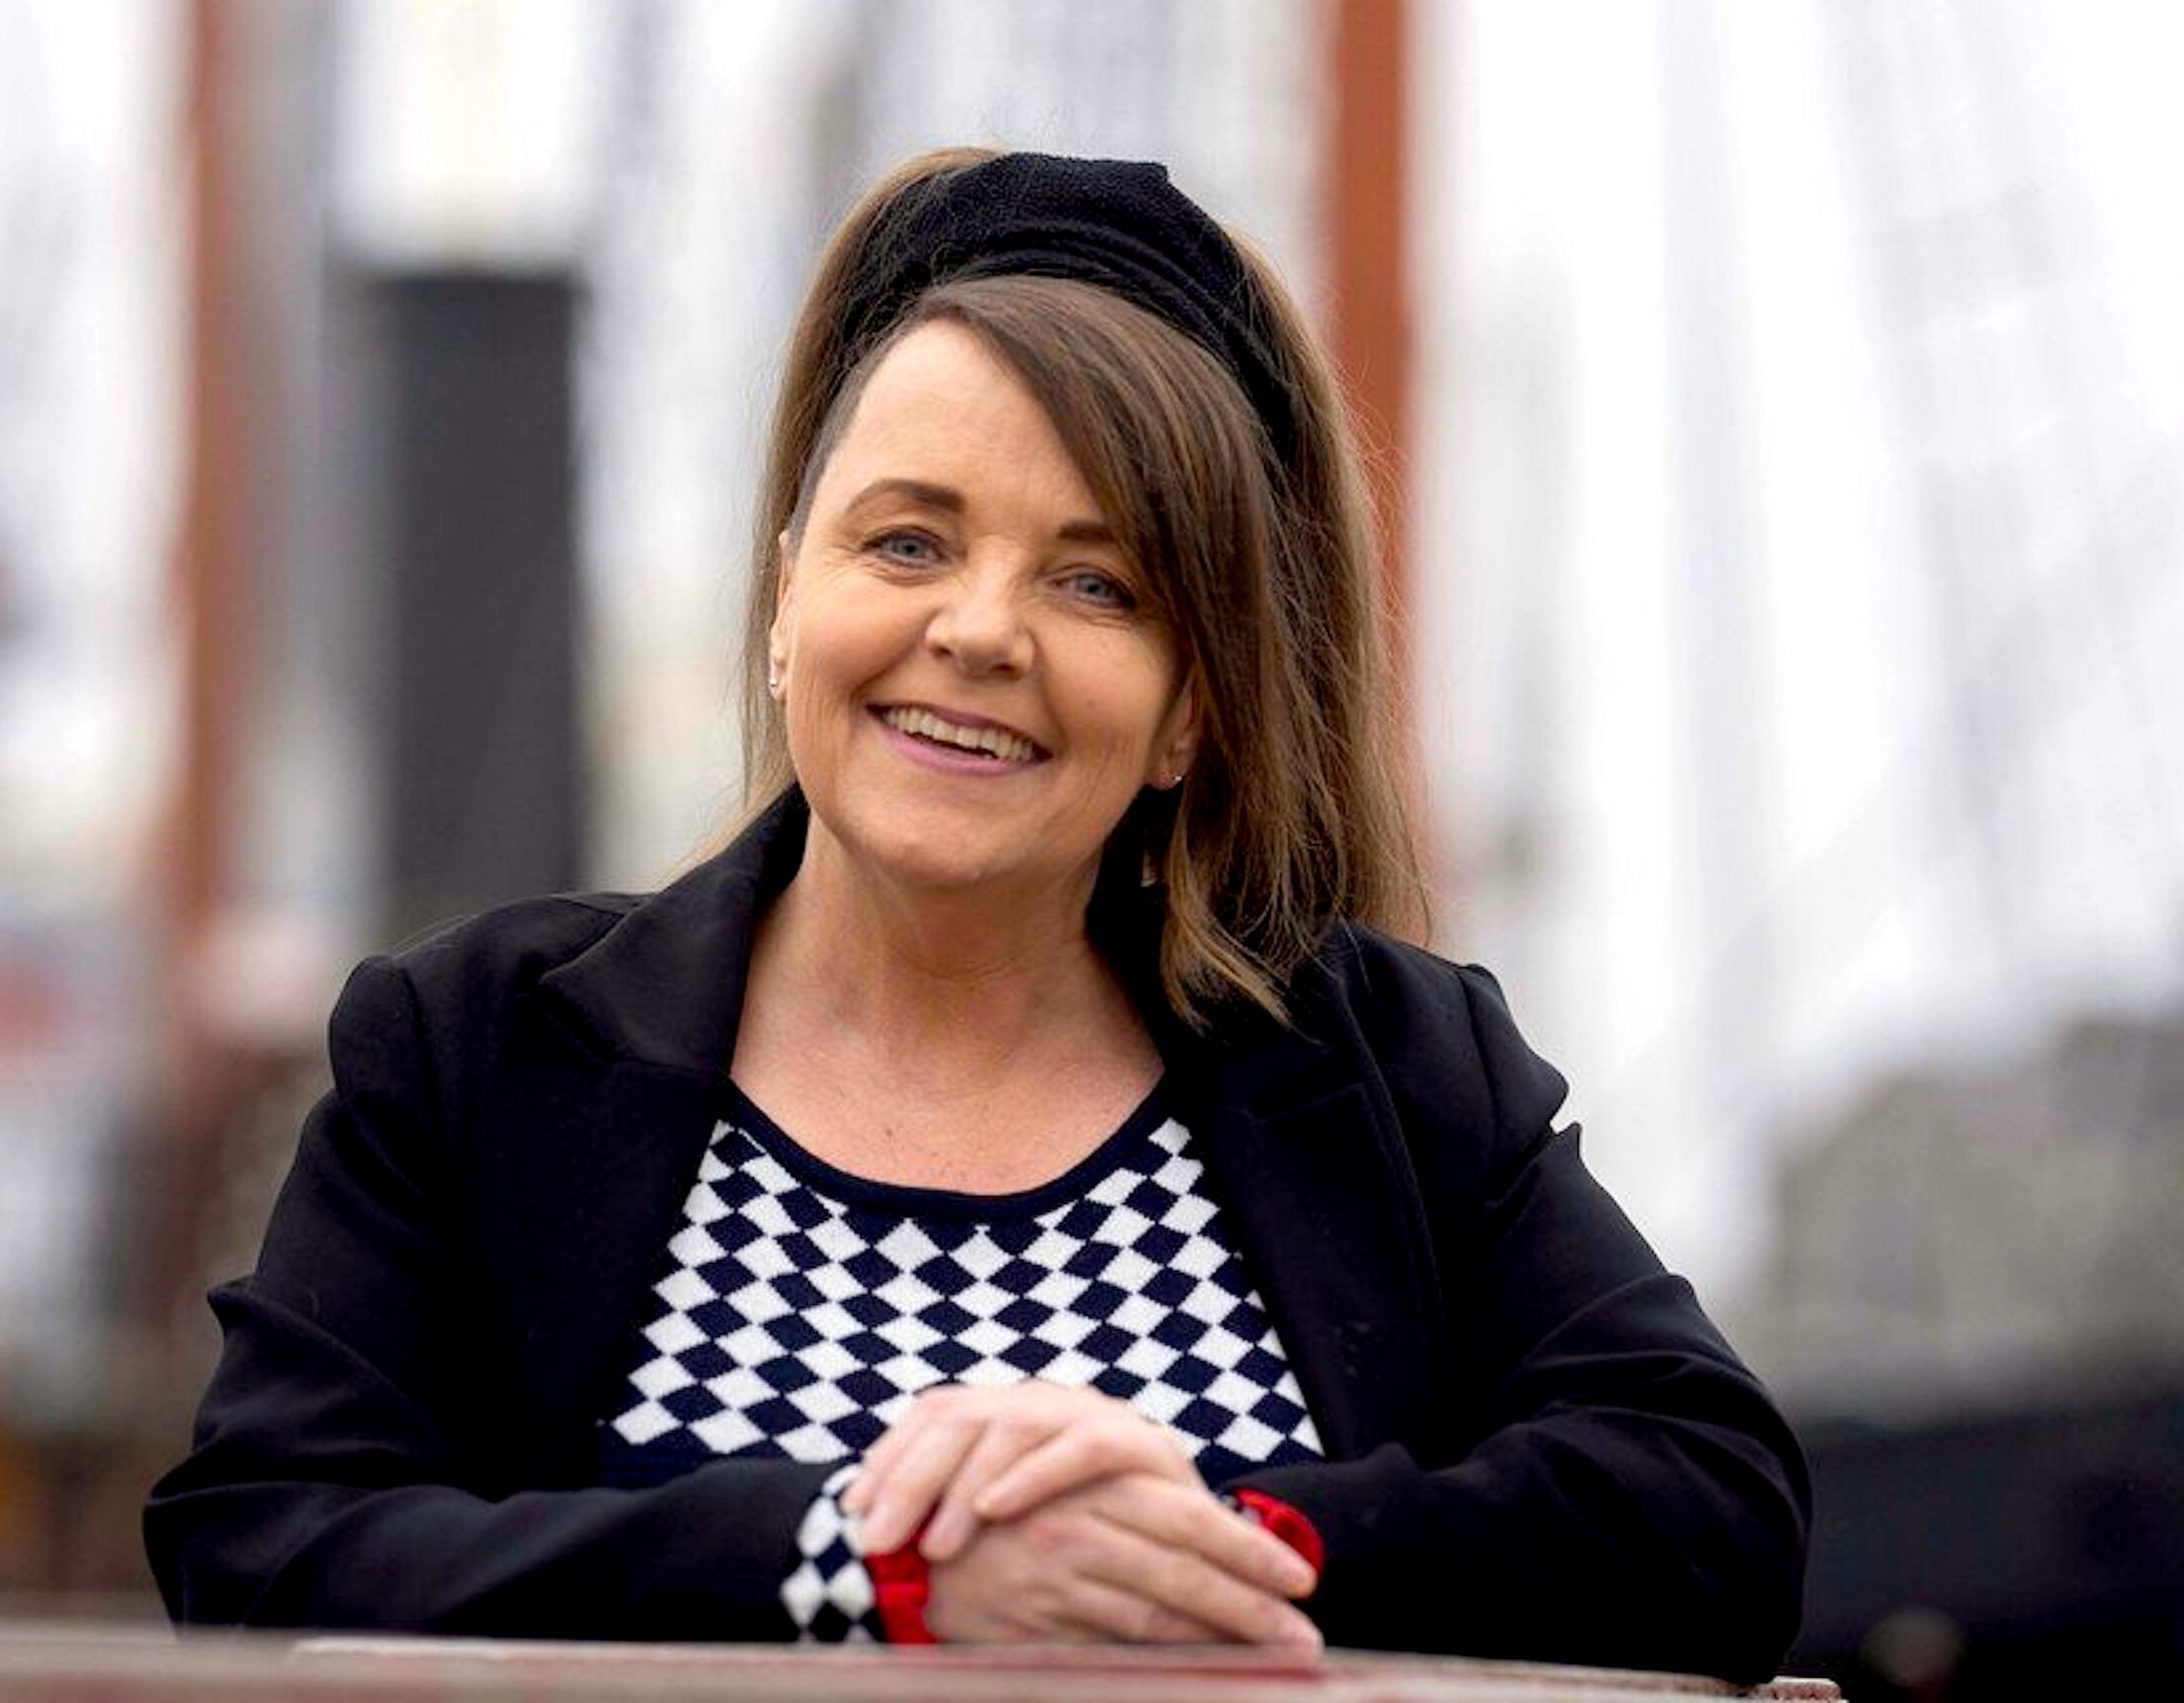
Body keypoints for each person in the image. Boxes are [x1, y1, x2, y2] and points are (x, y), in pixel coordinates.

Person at [145, 148, 1809, 1680]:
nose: (980, 630)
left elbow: (1711, 1506)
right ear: (787, 597)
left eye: (1097, 583)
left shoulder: (1392, 1067)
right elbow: (265, 1542)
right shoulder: (476, 1048)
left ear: (1192, 709)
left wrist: (1216, 1549)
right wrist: (852, 1567)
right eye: (907, 541)